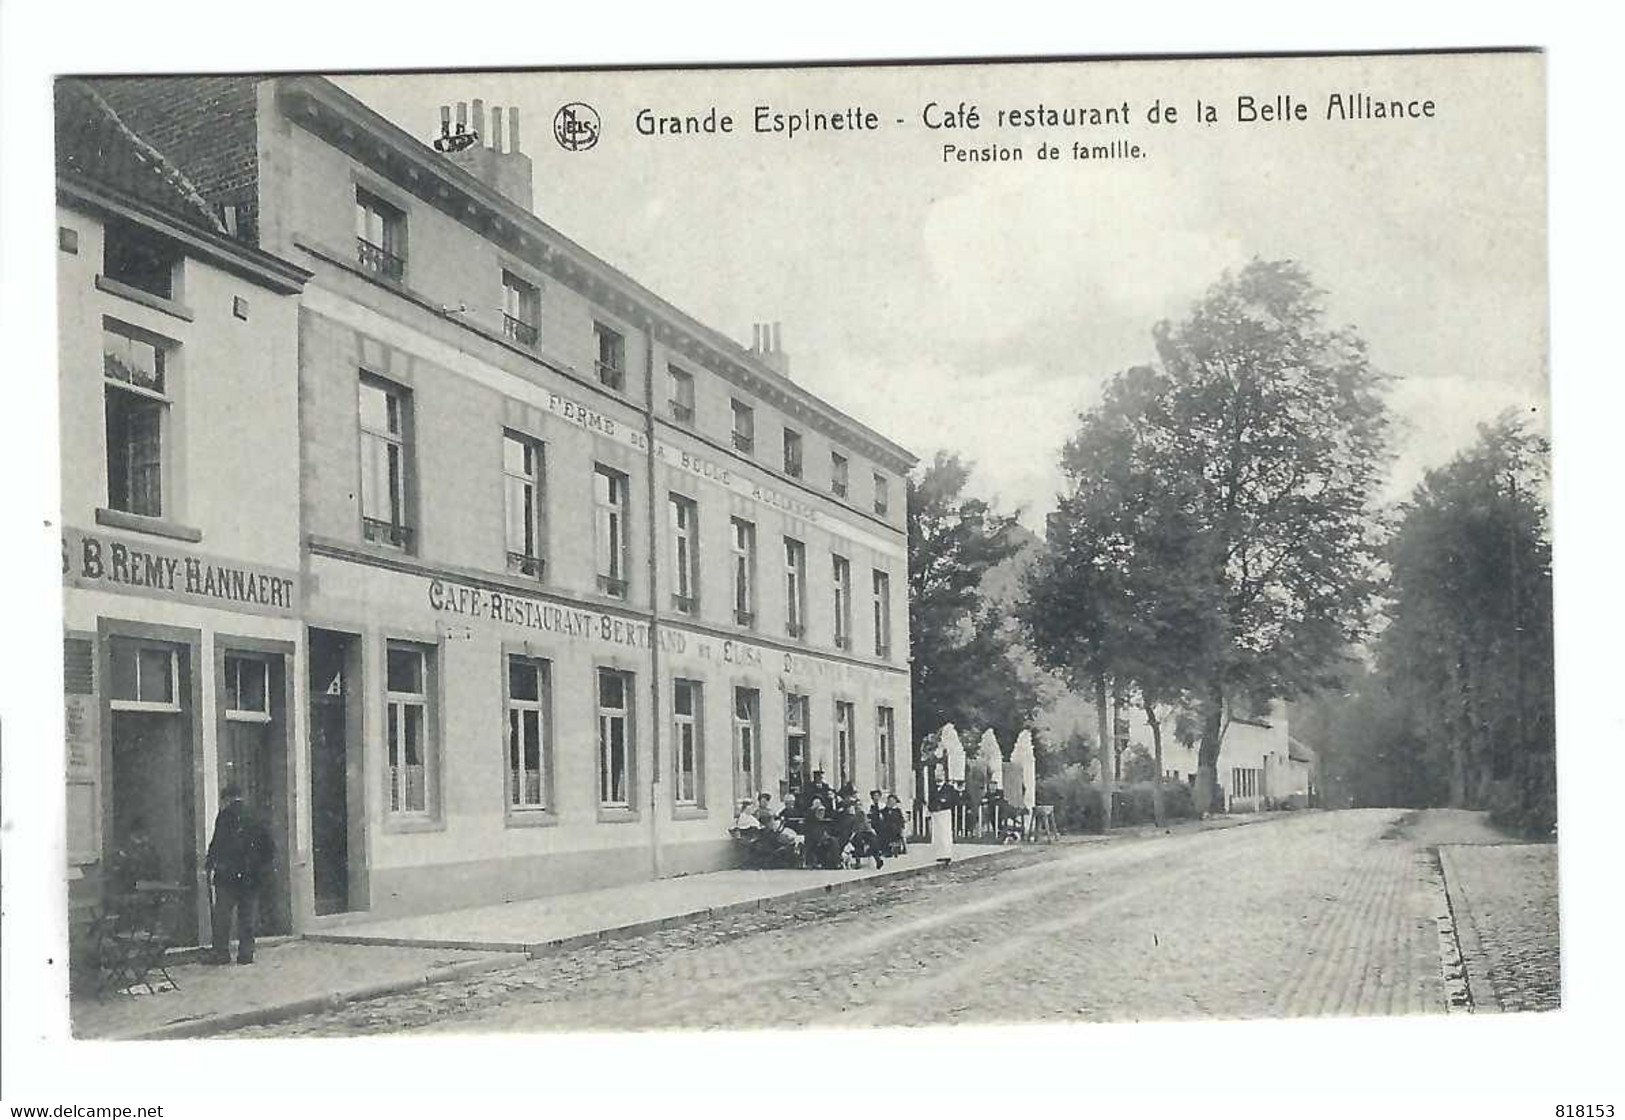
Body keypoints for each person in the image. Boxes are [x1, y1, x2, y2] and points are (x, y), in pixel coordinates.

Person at [204, 783, 274, 965]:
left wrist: (209, 864)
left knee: (223, 917)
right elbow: (269, 846)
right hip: (251, 877)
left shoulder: (225, 816)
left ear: (226, 798)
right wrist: (261, 867)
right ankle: (246, 954)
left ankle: (221, 953)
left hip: (228, 876)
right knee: (248, 917)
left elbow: (217, 843)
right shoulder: (256, 815)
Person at [108, 816, 162, 896]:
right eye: (142, 831)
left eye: (146, 832)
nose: (146, 835)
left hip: (149, 890)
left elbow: (156, 869)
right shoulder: (124, 849)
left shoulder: (149, 849)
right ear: (134, 832)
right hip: (129, 892)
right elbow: (119, 876)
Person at [839, 798, 884, 869]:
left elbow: (865, 824)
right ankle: (858, 861)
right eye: (855, 805)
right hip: (852, 834)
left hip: (863, 832)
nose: (857, 806)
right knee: (858, 839)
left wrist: (870, 830)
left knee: (873, 839)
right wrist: (853, 834)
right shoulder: (847, 816)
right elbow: (848, 828)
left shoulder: (861, 814)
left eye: (859, 805)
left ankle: (877, 859)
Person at [929, 779, 960, 866]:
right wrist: (931, 808)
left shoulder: (949, 788)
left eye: (940, 772)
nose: (938, 776)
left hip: (945, 812)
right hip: (936, 813)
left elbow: (955, 800)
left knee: (945, 833)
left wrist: (944, 802)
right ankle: (939, 854)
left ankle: (946, 854)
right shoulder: (933, 788)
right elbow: (930, 800)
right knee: (937, 834)